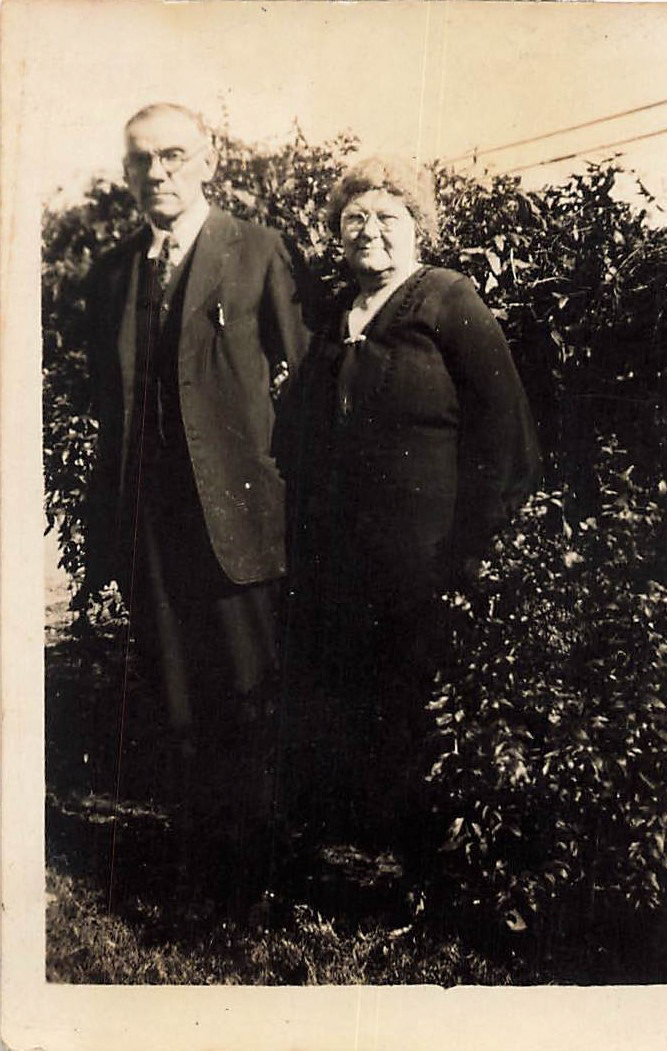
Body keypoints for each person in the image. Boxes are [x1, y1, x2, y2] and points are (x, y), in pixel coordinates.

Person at [281, 156, 541, 879]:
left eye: (387, 217)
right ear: (337, 233)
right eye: (354, 218)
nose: (370, 230)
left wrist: (477, 547)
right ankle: (367, 848)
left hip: (431, 560)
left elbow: (506, 429)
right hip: (346, 561)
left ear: (417, 226)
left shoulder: (448, 298)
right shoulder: (336, 317)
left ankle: (430, 874)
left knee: (422, 705)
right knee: (358, 701)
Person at [83, 103, 309, 903]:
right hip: (150, 527)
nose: (158, 172)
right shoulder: (111, 274)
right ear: (126, 171)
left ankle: (258, 879)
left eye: (174, 154)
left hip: (239, 519)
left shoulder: (259, 250)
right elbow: (108, 410)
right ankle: (196, 868)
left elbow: (309, 382)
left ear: (208, 160)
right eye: (141, 159)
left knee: (248, 696)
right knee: (175, 699)